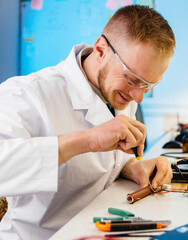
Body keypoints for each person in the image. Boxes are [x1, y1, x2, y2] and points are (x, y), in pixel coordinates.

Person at [0, 5, 175, 239]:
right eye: (132, 79)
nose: (138, 97)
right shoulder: (26, 93)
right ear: (101, 50)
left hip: (93, 228)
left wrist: (132, 167)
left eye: (148, 85)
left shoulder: (122, 93)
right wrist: (88, 140)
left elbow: (110, 159)